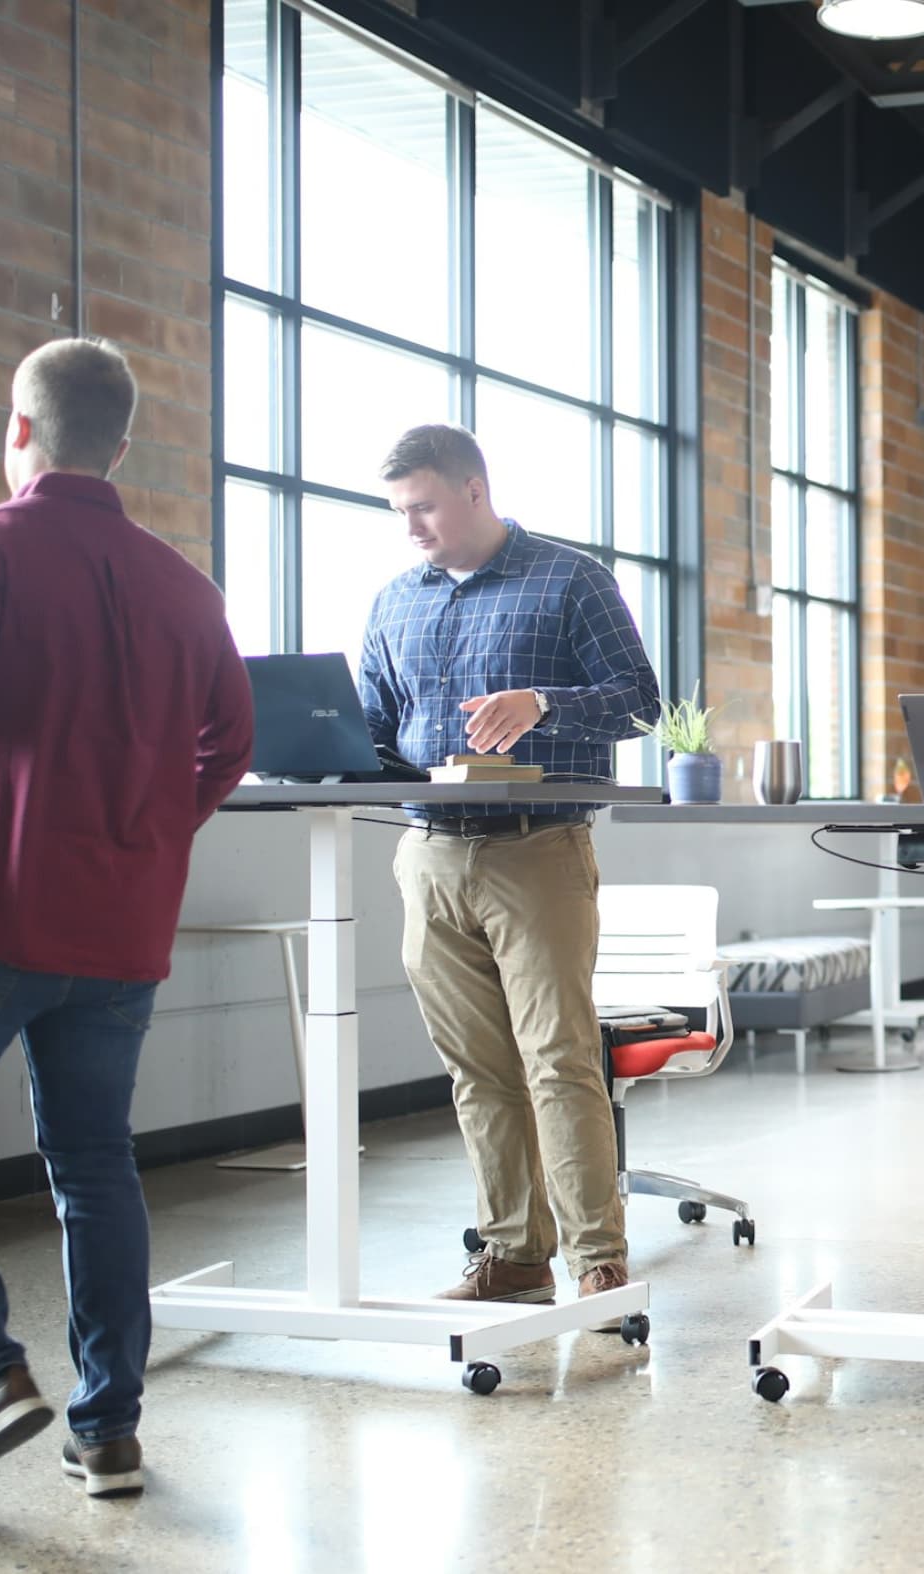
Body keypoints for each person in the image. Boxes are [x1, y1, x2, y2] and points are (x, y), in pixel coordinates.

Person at [0, 338, 255, 1507]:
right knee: (93, 1161)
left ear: (17, 428)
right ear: (121, 445)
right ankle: (107, 1431)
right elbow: (234, 736)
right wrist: (152, 826)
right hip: (120, 930)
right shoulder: (185, 583)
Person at [359, 424, 659, 1317]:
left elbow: (639, 705)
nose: (410, 527)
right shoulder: (393, 602)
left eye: (423, 506)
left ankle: (599, 1262)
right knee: (477, 1072)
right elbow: (377, 727)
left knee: (558, 1061)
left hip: (538, 850)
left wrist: (544, 703)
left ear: (474, 490)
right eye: (398, 511)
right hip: (429, 856)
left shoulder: (571, 581)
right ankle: (514, 1255)